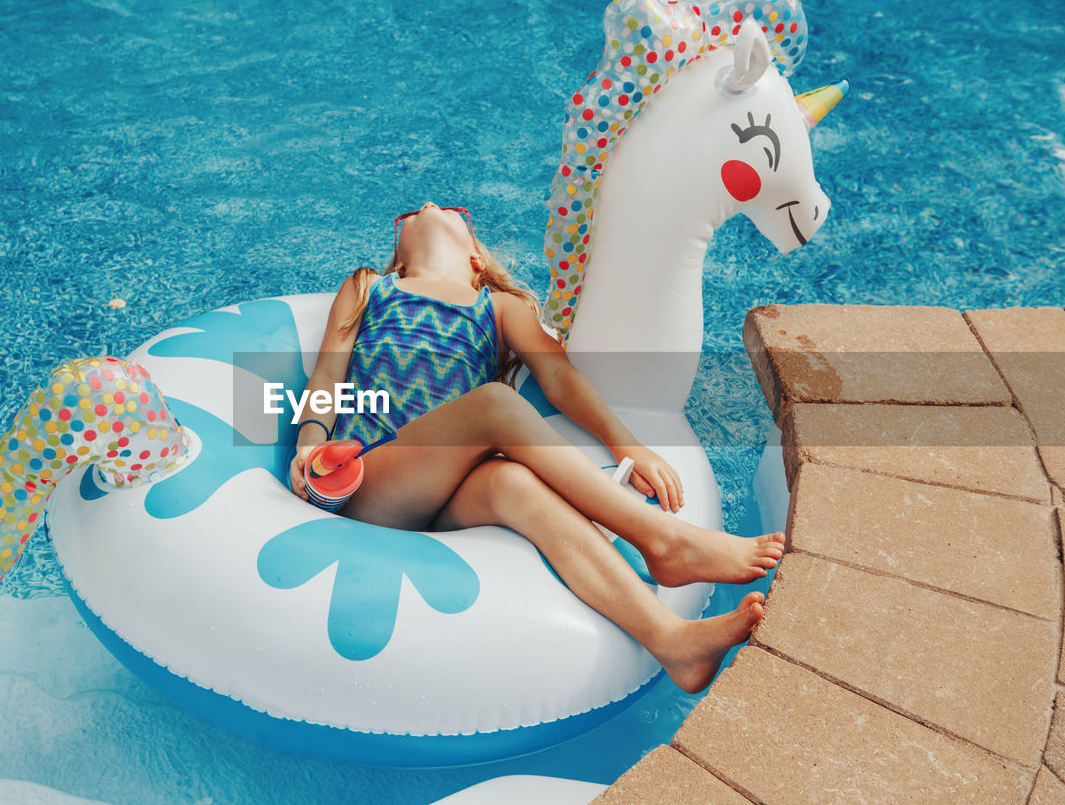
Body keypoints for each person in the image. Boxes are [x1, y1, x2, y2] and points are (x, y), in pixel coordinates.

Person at [288, 202, 783, 693]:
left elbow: (558, 376)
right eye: (416, 211)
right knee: (492, 405)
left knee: (513, 482)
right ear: (398, 254)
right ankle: (665, 541)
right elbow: (328, 376)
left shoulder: (500, 307)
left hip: (450, 496)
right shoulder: (370, 286)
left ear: (475, 259)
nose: (429, 204)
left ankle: (671, 640)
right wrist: (310, 447)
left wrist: (626, 443)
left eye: (450, 209)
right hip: (374, 478)